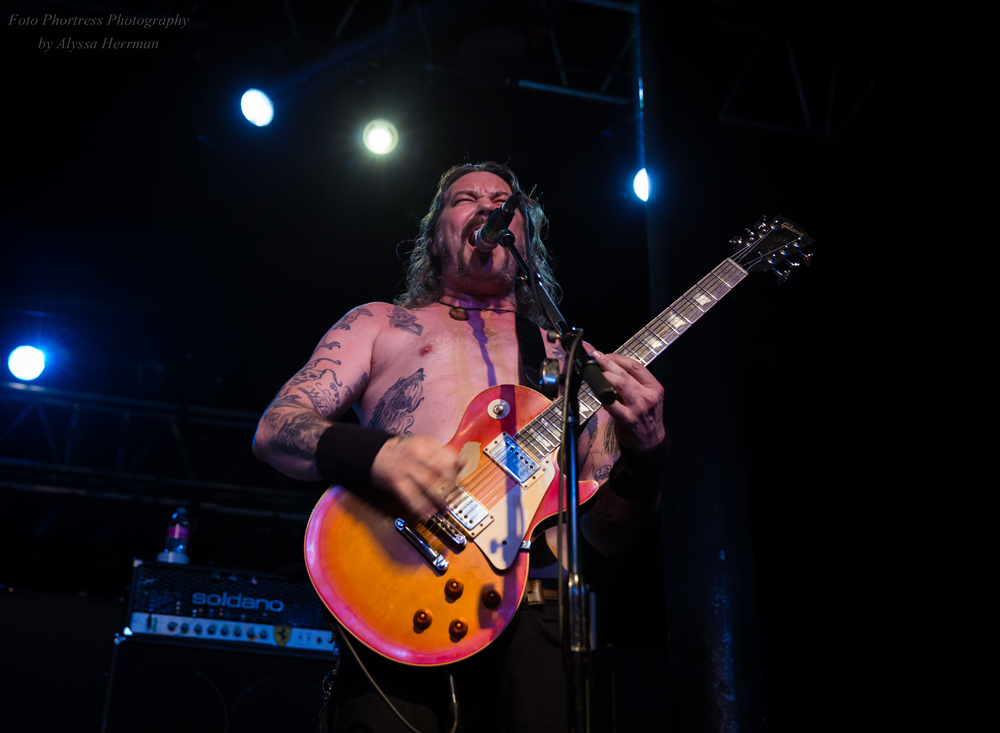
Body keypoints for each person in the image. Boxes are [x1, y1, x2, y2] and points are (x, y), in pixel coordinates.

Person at [253, 162, 668, 732]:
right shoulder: (382, 324)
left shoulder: (572, 363)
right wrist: (377, 453)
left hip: (533, 612)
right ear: (435, 233)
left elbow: (608, 533)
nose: (488, 207)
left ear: (524, 236)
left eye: (506, 202)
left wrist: (647, 455)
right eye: (465, 198)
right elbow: (277, 429)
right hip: (397, 583)